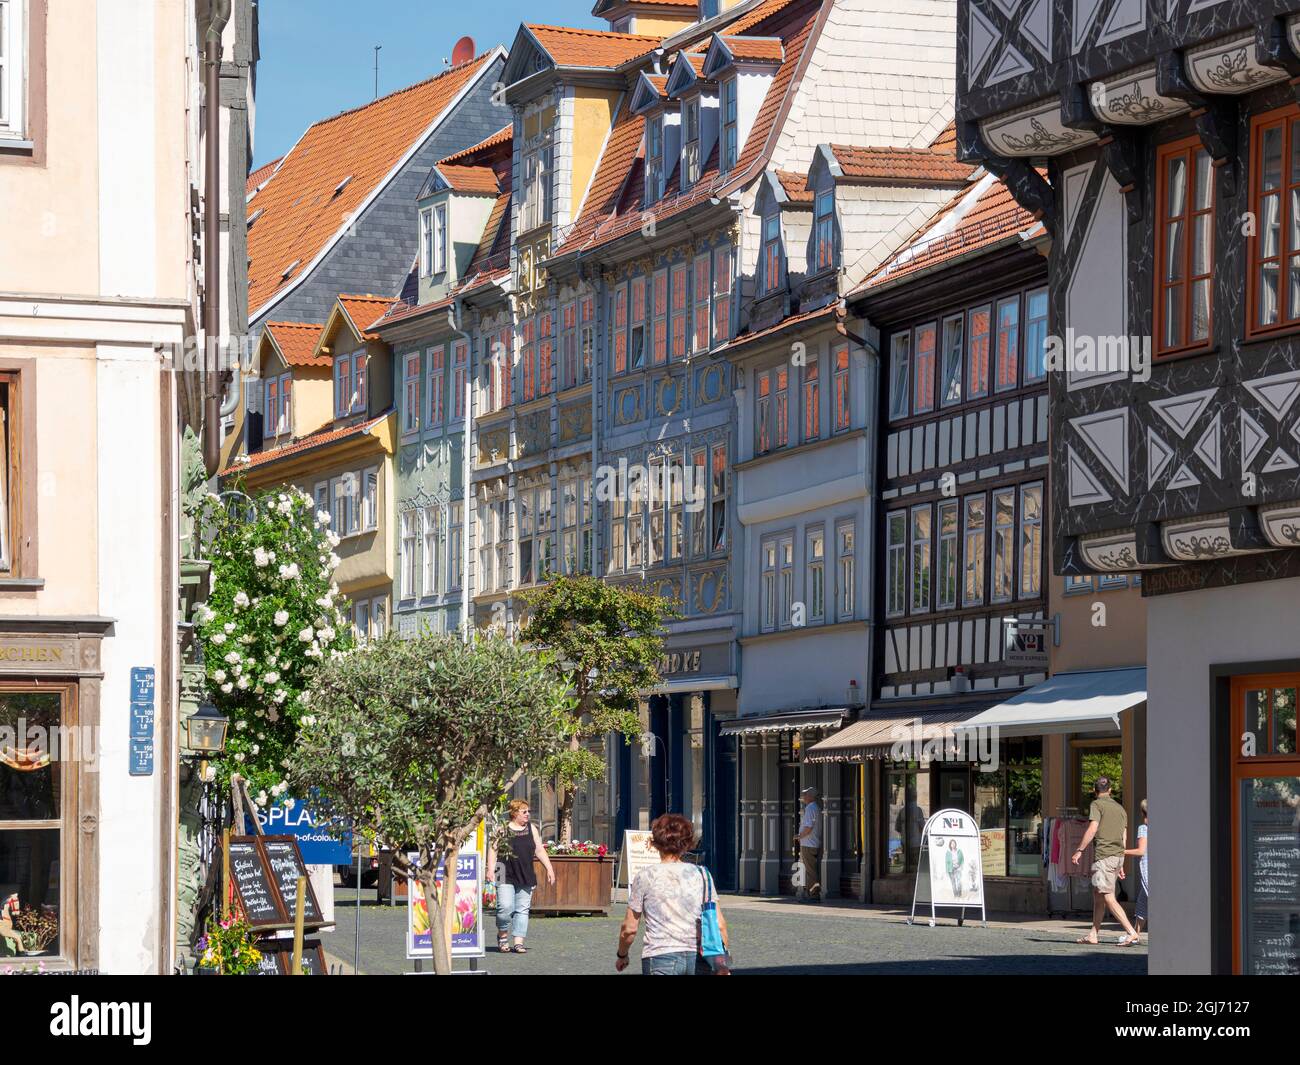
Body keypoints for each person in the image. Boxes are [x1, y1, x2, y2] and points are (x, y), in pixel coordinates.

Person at [616, 813, 730, 975]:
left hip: (660, 956)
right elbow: (720, 925)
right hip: (699, 957)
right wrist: (721, 963)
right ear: (687, 843)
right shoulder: (702, 875)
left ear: (655, 843)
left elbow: (629, 929)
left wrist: (622, 955)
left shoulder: (645, 876)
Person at [1070, 777, 1139, 946]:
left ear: (1095, 791)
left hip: (1104, 856)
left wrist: (1079, 850)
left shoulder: (1096, 804)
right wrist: (1121, 862)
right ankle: (1093, 934)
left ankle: (1131, 932)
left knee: (1107, 896)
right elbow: (1124, 835)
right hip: (1116, 856)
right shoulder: (1120, 809)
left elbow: (1093, 828)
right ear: (1110, 790)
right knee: (1098, 895)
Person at [486, 799, 554, 954]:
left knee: (522, 909)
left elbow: (539, 850)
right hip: (502, 871)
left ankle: (518, 942)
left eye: (528, 811)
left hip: (525, 872)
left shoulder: (532, 829)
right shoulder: (502, 829)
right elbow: (493, 849)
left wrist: (549, 869)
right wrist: (490, 870)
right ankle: (502, 935)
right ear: (514, 813)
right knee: (505, 907)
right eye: (524, 812)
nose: (528, 814)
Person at [1123, 799, 1148, 944]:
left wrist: (1122, 851)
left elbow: (1140, 851)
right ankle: (1135, 934)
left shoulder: (1143, 828)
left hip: (1147, 869)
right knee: (1142, 903)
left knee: (1150, 899)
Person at [795, 786, 821, 902]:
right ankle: (810, 894)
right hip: (811, 843)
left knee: (810, 871)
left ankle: (814, 895)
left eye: (805, 795)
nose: (803, 797)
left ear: (810, 797)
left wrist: (799, 836)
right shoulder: (814, 807)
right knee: (810, 870)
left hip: (808, 844)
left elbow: (808, 827)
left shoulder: (811, 808)